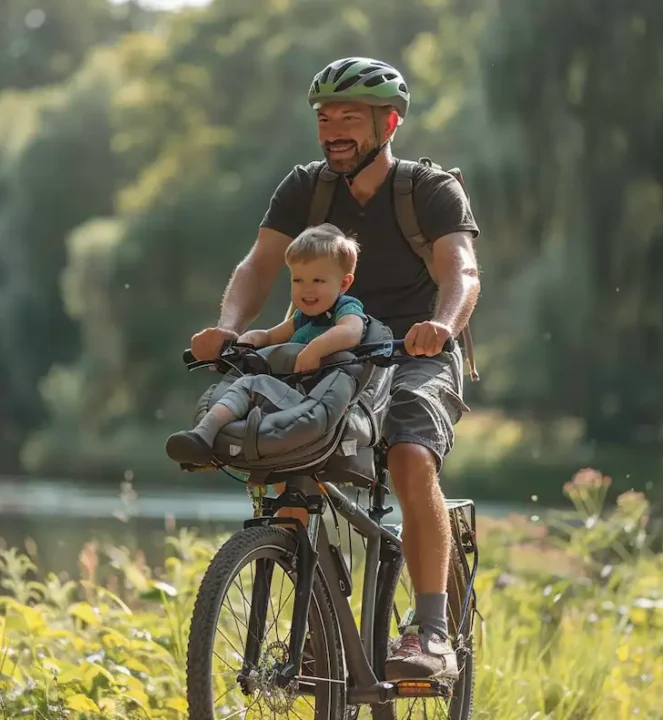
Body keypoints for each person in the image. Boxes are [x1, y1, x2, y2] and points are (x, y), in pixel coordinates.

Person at [188, 56, 481, 682]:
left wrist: (443, 326)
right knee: (283, 448)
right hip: (329, 355)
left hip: (412, 353)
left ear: (390, 122)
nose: (334, 128)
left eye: (350, 116)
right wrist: (231, 329)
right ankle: (317, 618)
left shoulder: (427, 190)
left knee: (408, 455)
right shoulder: (305, 188)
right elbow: (257, 267)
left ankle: (431, 633)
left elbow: (462, 272)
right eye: (325, 117)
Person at [166, 223, 367, 465]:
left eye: (318, 280)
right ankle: (204, 446)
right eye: (298, 280)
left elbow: (352, 331)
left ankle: (203, 437)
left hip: (318, 400)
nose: (307, 289)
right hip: (290, 396)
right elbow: (272, 336)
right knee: (246, 386)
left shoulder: (344, 308)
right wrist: (252, 338)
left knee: (249, 385)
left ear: (344, 284)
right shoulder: (302, 317)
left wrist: (316, 349)